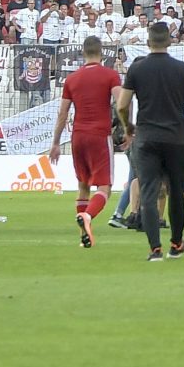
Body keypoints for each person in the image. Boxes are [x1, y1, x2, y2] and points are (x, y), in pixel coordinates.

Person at [118, 21, 184, 262]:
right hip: (176, 137)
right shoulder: (182, 69)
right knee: (176, 189)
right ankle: (176, 244)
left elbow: (122, 105)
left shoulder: (137, 69)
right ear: (169, 42)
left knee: (148, 191)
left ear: (148, 42)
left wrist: (128, 127)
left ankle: (154, 249)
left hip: (146, 137)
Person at [51, 35, 125, 248]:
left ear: (83, 53)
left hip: (78, 137)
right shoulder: (110, 75)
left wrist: (56, 143)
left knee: (83, 185)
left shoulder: (72, 79)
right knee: (104, 188)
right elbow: (121, 103)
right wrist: (127, 129)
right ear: (101, 53)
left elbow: (62, 113)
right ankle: (88, 216)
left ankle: (83, 234)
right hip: (99, 136)